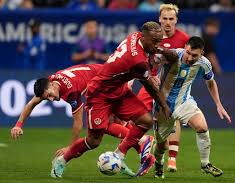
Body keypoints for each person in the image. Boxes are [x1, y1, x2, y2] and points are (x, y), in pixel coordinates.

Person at [51, 21, 177, 178]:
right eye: (154, 41)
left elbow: (152, 51)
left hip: (119, 90)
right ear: (144, 37)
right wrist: (164, 105)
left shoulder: (136, 36)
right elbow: (150, 86)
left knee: (145, 120)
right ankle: (62, 160)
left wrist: (161, 49)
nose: (157, 44)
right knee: (94, 141)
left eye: (160, 41)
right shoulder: (137, 60)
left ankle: (119, 155)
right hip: (99, 94)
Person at [10, 64, 153, 177]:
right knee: (110, 124)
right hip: (107, 76)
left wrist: (70, 148)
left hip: (105, 85)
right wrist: (18, 125)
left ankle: (62, 161)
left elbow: (78, 123)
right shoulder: (50, 82)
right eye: (47, 98)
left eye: (50, 95)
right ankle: (139, 148)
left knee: (97, 134)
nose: (51, 99)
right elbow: (31, 104)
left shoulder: (71, 90)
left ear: (52, 85)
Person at [153, 36, 231, 178]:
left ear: (201, 53)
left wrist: (218, 104)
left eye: (194, 55)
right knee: (161, 145)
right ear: (185, 47)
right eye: (188, 52)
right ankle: (158, 163)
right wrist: (153, 75)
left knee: (202, 127)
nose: (189, 58)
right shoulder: (173, 56)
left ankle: (205, 164)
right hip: (163, 106)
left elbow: (211, 82)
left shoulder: (204, 63)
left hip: (184, 102)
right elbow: (152, 60)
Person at [136, 3, 189, 172]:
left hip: (172, 85)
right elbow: (143, 58)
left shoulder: (183, 39)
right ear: (159, 19)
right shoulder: (151, 37)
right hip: (151, 82)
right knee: (135, 116)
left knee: (173, 116)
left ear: (176, 20)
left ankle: (172, 159)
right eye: (164, 18)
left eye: (171, 19)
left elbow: (188, 64)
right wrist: (150, 76)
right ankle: (147, 150)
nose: (167, 22)